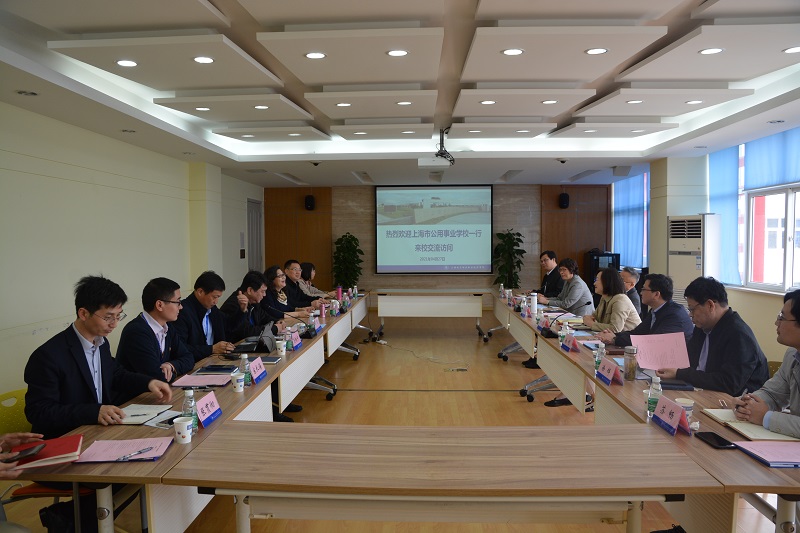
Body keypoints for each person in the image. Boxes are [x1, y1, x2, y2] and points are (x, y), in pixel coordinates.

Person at [24, 276, 172, 440]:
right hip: (68, 438)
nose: (114, 324)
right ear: (84, 313)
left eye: (118, 316)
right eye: (108, 317)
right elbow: (39, 411)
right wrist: (94, 412)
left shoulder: (101, 343)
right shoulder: (48, 356)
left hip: (100, 431)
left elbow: (116, 374)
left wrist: (149, 382)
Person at [656, 276, 769, 396]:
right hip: (701, 391)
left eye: (692, 309)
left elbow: (729, 384)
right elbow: (690, 362)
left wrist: (679, 373)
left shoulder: (739, 335)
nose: (690, 314)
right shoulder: (702, 326)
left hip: (736, 400)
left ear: (710, 305)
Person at [734, 290, 800, 438]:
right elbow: (773, 393)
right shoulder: (793, 354)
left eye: (782, 318)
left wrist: (766, 417)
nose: (776, 323)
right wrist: (749, 403)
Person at [116, 277, 196, 383]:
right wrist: (170, 371)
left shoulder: (168, 327)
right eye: (178, 302)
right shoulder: (136, 332)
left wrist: (171, 366)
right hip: (139, 393)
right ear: (159, 305)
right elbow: (157, 376)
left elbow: (189, 358)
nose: (181, 307)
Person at [597, 273, 694, 347]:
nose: (641, 293)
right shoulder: (655, 311)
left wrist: (614, 339)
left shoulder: (674, 314)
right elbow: (636, 333)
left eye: (644, 289)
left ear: (656, 294)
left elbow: (652, 342)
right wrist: (613, 335)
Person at [174, 270, 235, 362]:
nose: (216, 302)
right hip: (194, 364)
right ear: (200, 292)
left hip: (214, 360)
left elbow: (228, 327)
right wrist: (211, 349)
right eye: (214, 297)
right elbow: (180, 348)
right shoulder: (183, 312)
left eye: (218, 297)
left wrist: (242, 311)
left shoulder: (212, 308)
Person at [523, 251, 566, 369]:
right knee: (535, 324)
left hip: (556, 308)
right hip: (546, 306)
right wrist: (535, 292)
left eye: (545, 260)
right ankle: (536, 356)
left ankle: (540, 358)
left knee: (542, 327)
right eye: (541, 261)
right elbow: (544, 290)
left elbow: (558, 294)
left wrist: (543, 297)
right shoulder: (547, 275)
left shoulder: (559, 275)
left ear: (554, 260)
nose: (543, 263)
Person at [219, 270, 271, 343]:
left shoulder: (254, 301)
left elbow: (264, 317)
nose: (264, 295)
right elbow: (247, 332)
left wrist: (278, 321)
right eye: (262, 291)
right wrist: (273, 329)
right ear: (250, 290)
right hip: (236, 346)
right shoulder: (233, 305)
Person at [583, 268, 641, 333]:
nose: (594, 283)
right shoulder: (604, 297)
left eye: (597, 280)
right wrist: (588, 318)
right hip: (613, 337)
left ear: (607, 282)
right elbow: (595, 317)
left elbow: (615, 329)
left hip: (631, 338)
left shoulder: (620, 300)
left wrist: (592, 324)